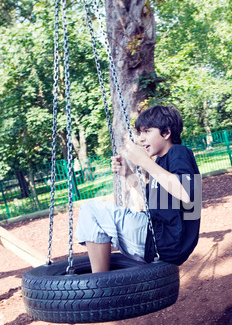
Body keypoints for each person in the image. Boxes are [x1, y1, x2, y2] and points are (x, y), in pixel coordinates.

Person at [75, 105, 201, 272]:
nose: (141, 138)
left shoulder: (179, 152)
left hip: (164, 240)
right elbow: (152, 199)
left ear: (166, 133)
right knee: (93, 214)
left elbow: (186, 194)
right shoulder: (161, 162)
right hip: (159, 237)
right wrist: (127, 173)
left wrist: (144, 162)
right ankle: (101, 281)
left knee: (90, 210)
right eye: (140, 133)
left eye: (147, 131)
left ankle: (99, 282)